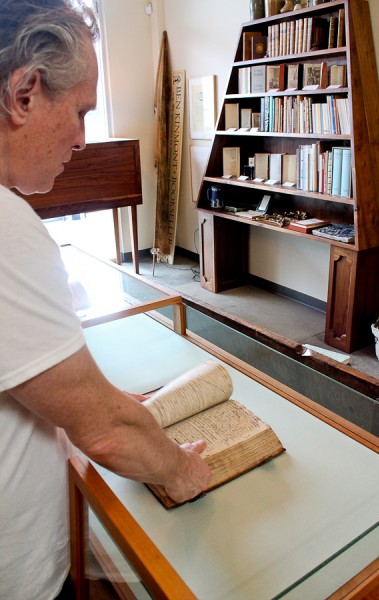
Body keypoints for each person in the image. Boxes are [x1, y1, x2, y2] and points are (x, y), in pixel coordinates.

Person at [0, 1, 211, 598]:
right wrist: (181, 469)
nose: (81, 138)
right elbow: (107, 434)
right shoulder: (6, 229)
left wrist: (103, 398)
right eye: (80, 112)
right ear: (23, 94)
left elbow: (29, 376)